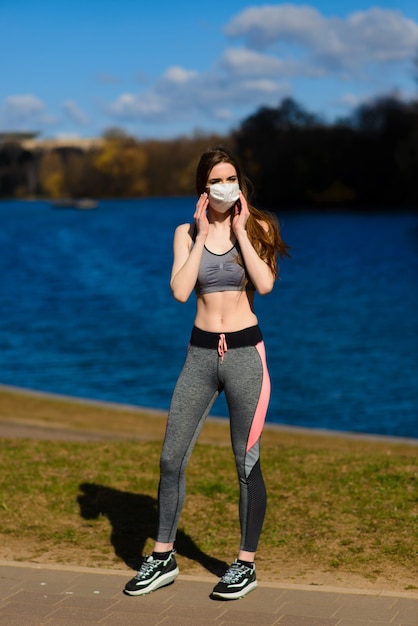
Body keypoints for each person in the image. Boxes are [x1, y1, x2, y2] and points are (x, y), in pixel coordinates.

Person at [124, 145, 289, 600]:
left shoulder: (257, 227)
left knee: (245, 462)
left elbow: (265, 284)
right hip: (198, 355)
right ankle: (162, 557)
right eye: (216, 179)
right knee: (170, 458)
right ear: (204, 187)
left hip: (244, 355)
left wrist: (239, 231)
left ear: (240, 182)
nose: (224, 186)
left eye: (231, 177)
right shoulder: (185, 231)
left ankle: (245, 564)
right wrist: (199, 236)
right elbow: (180, 291)